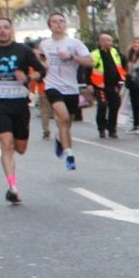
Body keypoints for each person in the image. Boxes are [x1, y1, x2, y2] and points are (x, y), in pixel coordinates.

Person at [0, 16, 46, 204]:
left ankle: (13, 184)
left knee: (20, 148)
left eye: (5, 27)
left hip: (20, 104)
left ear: (11, 30)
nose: (2, 30)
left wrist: (27, 77)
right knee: (6, 144)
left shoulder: (24, 51)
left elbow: (42, 71)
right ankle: (13, 187)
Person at [36, 12, 92, 171]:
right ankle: (69, 155)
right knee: (63, 116)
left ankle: (60, 139)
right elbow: (40, 58)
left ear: (65, 24)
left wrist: (72, 57)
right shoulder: (45, 44)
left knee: (67, 124)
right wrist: (43, 65)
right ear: (50, 26)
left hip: (71, 88)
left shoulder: (75, 43)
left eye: (61, 21)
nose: (58, 24)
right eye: (54, 21)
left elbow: (90, 62)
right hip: (52, 86)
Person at [89, 32, 128, 138]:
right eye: (107, 40)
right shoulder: (95, 54)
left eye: (110, 40)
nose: (110, 43)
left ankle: (112, 128)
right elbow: (88, 69)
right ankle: (101, 127)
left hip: (114, 85)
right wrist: (89, 84)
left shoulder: (116, 53)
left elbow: (123, 64)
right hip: (100, 85)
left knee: (115, 106)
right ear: (101, 42)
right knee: (102, 105)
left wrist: (122, 79)